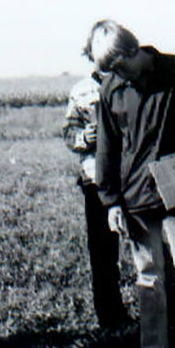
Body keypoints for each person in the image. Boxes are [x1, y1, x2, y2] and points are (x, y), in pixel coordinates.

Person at [85, 20, 175, 348]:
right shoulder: (112, 88)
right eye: (110, 70)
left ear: (133, 51)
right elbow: (107, 147)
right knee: (148, 277)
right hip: (135, 197)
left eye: (119, 65)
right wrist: (111, 200)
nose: (117, 74)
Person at [63, 71, 130, 330]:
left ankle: (166, 311)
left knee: (148, 247)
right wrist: (83, 138)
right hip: (96, 179)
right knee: (103, 252)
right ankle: (110, 316)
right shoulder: (81, 90)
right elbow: (69, 131)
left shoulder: (130, 83)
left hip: (132, 176)